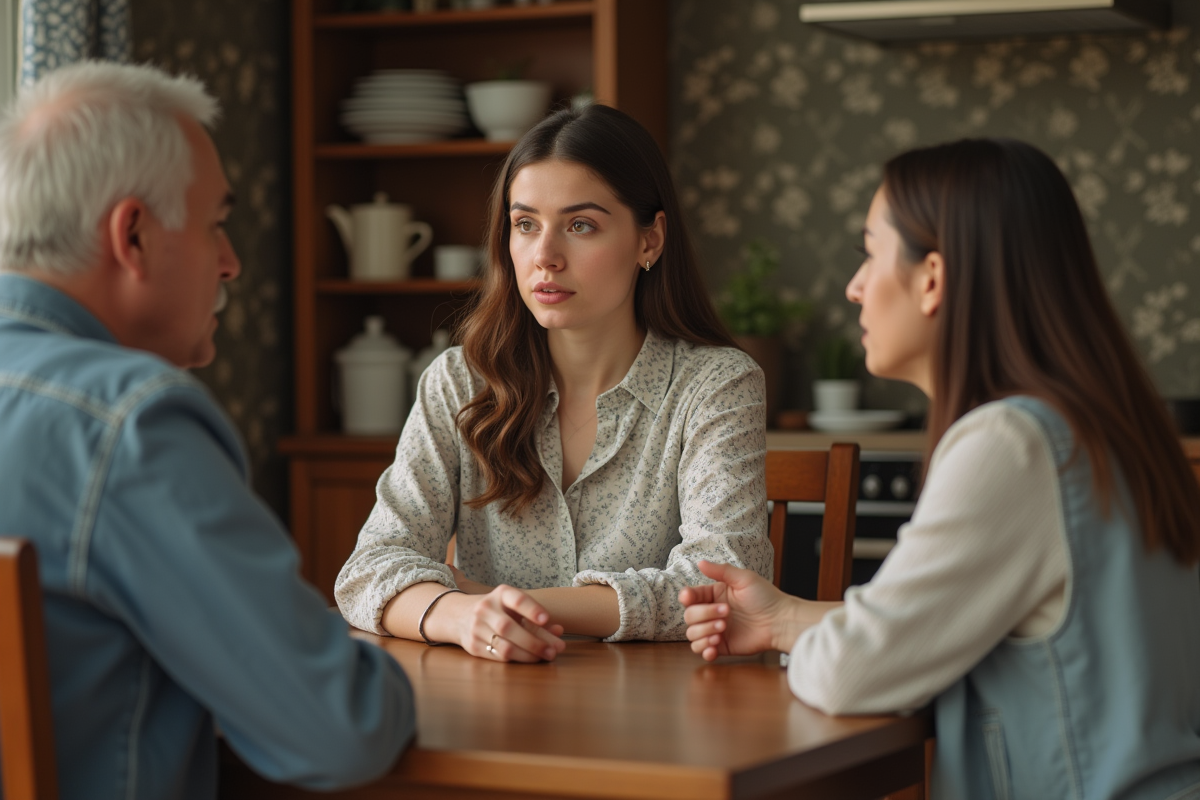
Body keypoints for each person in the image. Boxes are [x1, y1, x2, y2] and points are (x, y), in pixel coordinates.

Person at [680, 138, 1200, 798]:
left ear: (932, 278)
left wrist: (830, 644)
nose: (855, 285)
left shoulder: (1012, 445)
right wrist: (782, 621)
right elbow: (941, 626)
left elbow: (851, 674)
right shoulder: (1104, 426)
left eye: (870, 252)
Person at [0, 62, 415, 798]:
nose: (231, 263)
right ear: (132, 236)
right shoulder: (127, 425)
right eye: (216, 224)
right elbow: (340, 727)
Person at [335, 104, 771, 662]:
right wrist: (460, 614)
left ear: (649, 241)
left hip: (665, 718)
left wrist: (506, 604)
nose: (545, 257)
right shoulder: (459, 382)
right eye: (525, 225)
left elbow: (728, 590)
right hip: (492, 709)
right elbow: (370, 568)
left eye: (580, 225)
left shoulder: (716, 385)